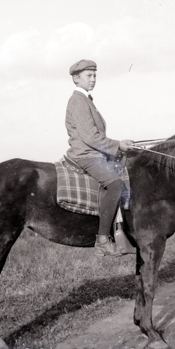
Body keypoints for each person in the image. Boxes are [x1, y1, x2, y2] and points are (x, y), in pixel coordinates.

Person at [65, 59, 133, 257]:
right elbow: (90, 137)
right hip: (86, 155)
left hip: (94, 153)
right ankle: (102, 240)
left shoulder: (86, 100)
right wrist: (117, 145)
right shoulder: (78, 100)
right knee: (116, 185)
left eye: (95, 75)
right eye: (89, 76)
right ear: (76, 79)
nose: (93, 79)